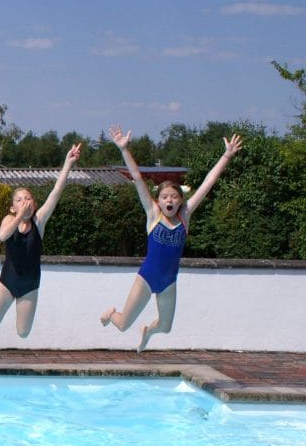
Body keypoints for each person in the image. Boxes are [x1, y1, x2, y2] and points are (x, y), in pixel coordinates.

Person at [101, 126, 242, 351]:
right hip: (146, 279)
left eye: (174, 197)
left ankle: (148, 331)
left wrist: (226, 156)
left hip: (168, 282)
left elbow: (207, 184)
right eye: (165, 196)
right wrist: (124, 149)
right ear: (158, 200)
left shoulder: (184, 217)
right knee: (123, 325)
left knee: (165, 327)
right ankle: (111, 314)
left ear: (179, 201)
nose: (170, 200)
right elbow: (137, 179)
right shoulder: (153, 214)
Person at [0, 143, 82, 338]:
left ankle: (6, 302)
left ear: (34, 204)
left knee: (23, 333)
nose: (25, 202)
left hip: (30, 284)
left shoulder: (39, 221)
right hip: (7, 282)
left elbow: (56, 192)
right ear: (12, 207)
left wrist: (67, 163)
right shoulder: (9, 219)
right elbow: (2, 236)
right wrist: (19, 216)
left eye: (28, 198)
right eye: (19, 200)